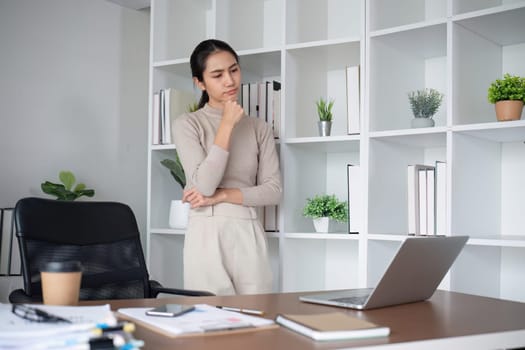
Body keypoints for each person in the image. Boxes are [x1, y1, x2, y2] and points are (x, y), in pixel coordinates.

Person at [173, 39, 282, 296]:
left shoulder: (259, 128)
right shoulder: (187, 124)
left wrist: (222, 195)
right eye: (217, 75)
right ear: (200, 82)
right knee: (210, 320)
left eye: (234, 70)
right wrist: (227, 124)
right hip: (205, 232)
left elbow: (274, 191)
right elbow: (204, 184)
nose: (230, 81)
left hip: (248, 229)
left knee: (257, 317)